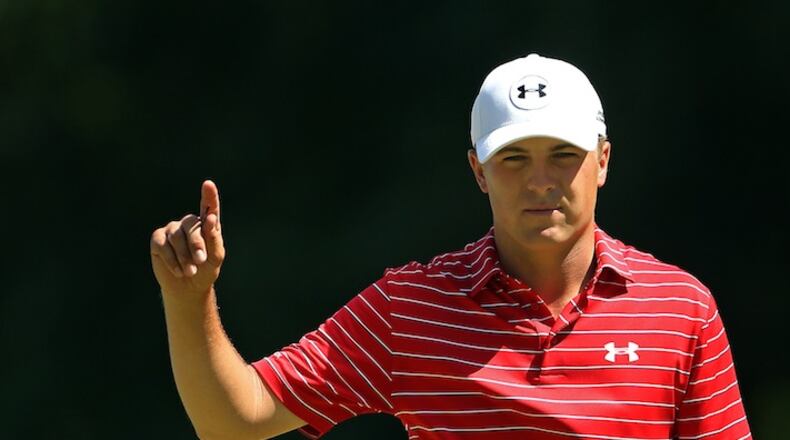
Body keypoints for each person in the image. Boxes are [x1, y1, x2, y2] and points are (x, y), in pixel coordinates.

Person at [150, 53, 752, 439]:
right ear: (478, 172)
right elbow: (235, 420)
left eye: (563, 155)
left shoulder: (681, 309)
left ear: (603, 161)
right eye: (513, 159)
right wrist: (188, 298)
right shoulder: (409, 308)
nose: (540, 181)